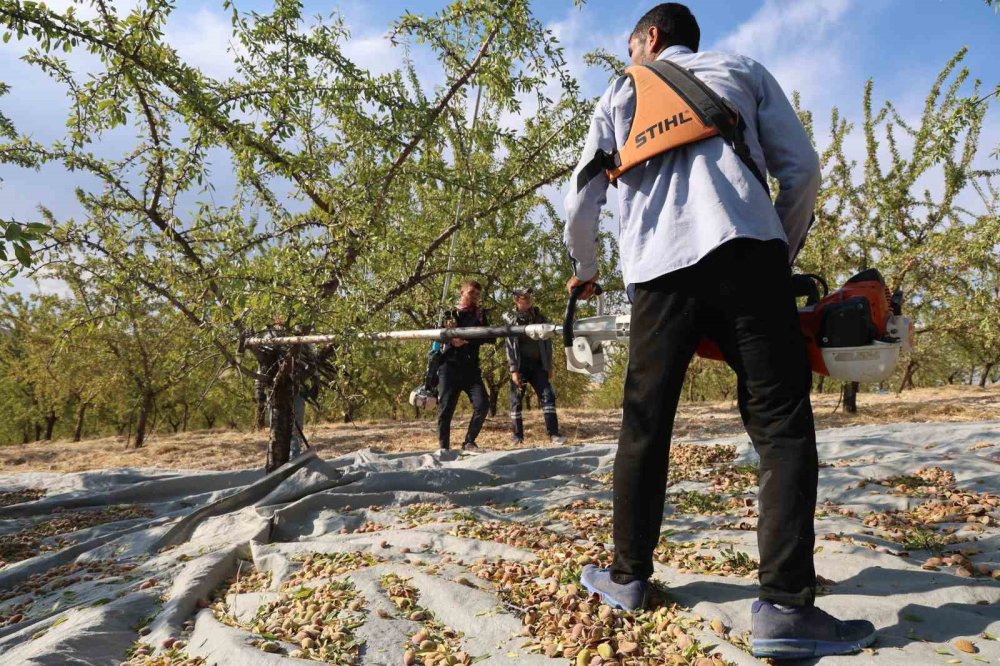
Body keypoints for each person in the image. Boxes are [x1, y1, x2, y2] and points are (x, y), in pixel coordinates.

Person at [563, 4, 875, 659]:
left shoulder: (621, 92)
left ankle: (627, 579)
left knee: (645, 422)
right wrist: (775, 254)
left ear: (648, 40)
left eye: (629, 46)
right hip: (747, 253)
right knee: (781, 422)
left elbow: (583, 194)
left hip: (656, 274)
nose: (628, 59)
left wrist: (587, 270)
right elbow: (803, 172)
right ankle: (786, 609)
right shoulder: (741, 68)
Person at [504, 287, 566, 445]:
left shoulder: (539, 317)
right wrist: (514, 370)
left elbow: (547, 342)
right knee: (516, 399)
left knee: (548, 396)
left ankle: (553, 434)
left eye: (529, 296)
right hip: (520, 366)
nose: (528, 299)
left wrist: (549, 366)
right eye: (524, 297)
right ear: (516, 300)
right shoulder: (511, 319)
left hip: (538, 365)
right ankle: (517, 436)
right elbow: (510, 346)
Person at [436, 280, 491, 452]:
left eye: (477, 295)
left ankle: (469, 441)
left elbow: (489, 337)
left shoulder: (480, 314)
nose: (474, 297)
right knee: (445, 408)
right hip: (449, 367)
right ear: (462, 292)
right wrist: (451, 339)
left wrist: (466, 338)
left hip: (471, 369)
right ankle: (444, 447)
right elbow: (436, 335)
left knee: (482, 404)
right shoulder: (449, 312)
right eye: (471, 293)